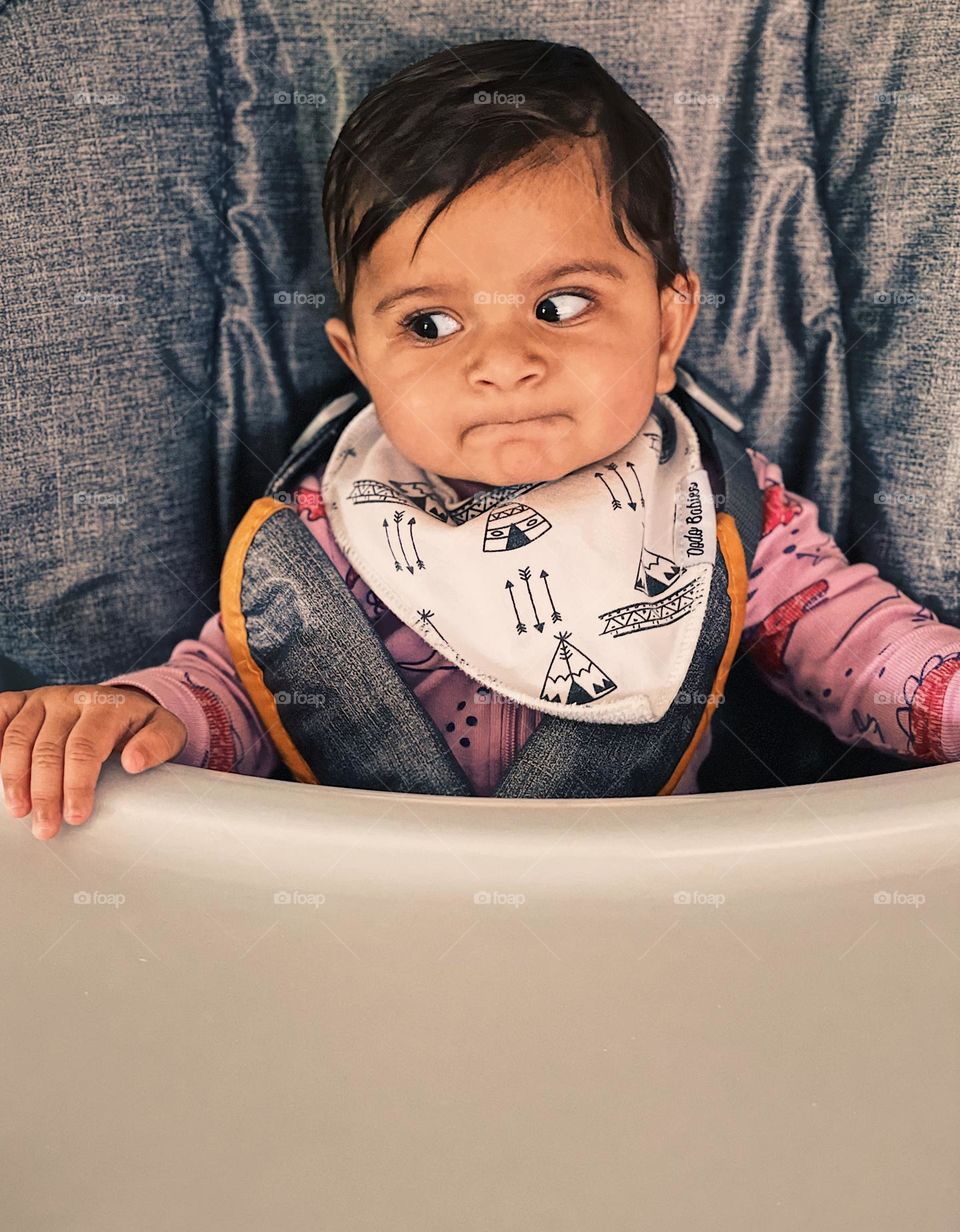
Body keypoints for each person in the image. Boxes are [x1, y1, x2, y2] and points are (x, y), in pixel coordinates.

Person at [2, 38, 959, 841]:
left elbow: (855, 648)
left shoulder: (715, 505)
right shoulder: (329, 526)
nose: (503, 363)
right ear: (360, 358)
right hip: (355, 921)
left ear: (669, 330)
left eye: (561, 304)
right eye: (429, 325)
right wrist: (134, 716)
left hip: (643, 914)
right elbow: (235, 696)